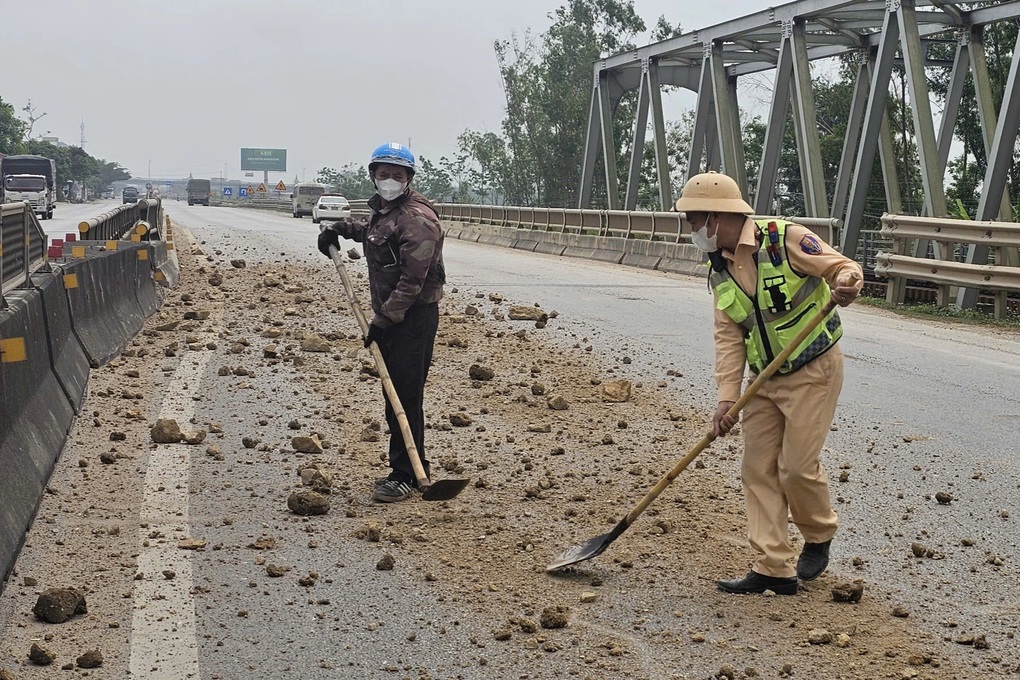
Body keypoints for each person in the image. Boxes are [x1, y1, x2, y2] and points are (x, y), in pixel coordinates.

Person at [675, 171, 862, 595]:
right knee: (757, 469)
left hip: (813, 369)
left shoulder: (782, 238)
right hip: (763, 379)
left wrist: (847, 285)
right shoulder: (719, 268)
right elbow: (728, 336)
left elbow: (843, 267)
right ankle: (773, 568)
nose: (690, 230)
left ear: (717, 216)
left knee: (795, 468)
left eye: (692, 219)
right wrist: (727, 398)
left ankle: (817, 534)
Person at [317, 142, 446, 503]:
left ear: (409, 179)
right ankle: (406, 466)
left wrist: (384, 320)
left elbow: (412, 280)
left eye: (398, 175)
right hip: (392, 317)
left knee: (403, 394)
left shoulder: (418, 219)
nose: (390, 180)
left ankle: (406, 474)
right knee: (395, 395)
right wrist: (340, 230)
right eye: (384, 174)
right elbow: (376, 236)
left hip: (412, 318)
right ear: (374, 176)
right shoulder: (387, 211)